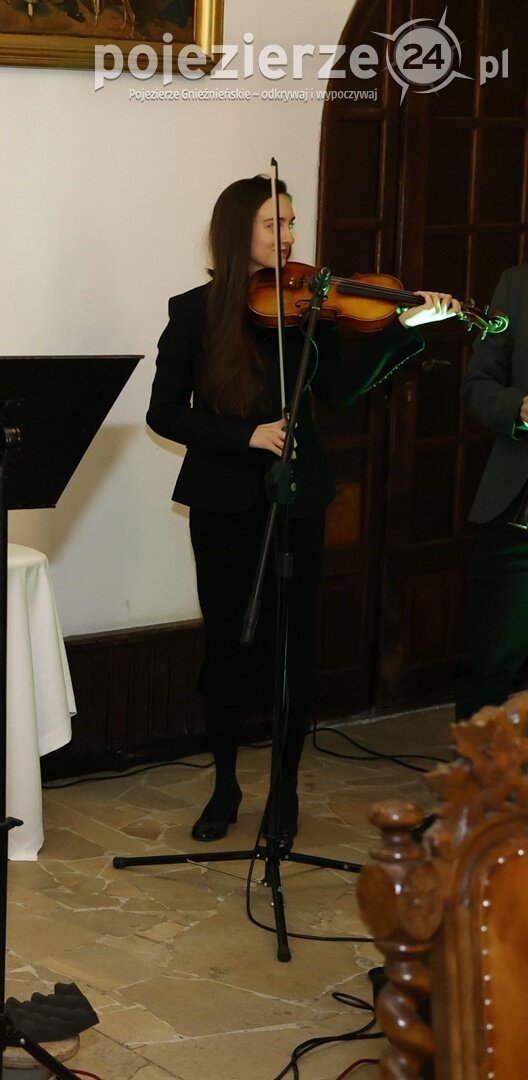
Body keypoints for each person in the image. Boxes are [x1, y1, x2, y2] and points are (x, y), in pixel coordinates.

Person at [146, 177, 459, 842]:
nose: (288, 236)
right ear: (238, 231)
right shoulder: (193, 312)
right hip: (224, 503)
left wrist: (403, 329)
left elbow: (341, 391)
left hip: (299, 500)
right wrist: (246, 436)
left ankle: (283, 790)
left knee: (293, 651)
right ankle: (225, 785)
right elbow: (164, 412)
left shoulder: (313, 305)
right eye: (273, 225)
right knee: (226, 650)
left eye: (291, 223)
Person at [457, 262, 528, 718]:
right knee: (488, 663)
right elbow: (477, 385)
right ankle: (477, 764)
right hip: (518, 512)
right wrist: (518, 407)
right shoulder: (517, 285)